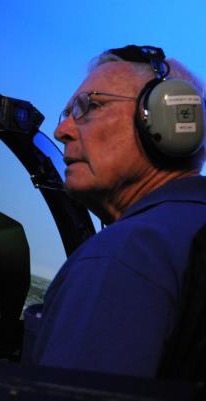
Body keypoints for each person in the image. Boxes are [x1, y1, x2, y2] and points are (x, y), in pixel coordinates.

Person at [22, 45, 206, 378]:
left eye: (89, 106)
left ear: (162, 116)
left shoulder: (126, 255)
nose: (61, 131)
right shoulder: (190, 231)